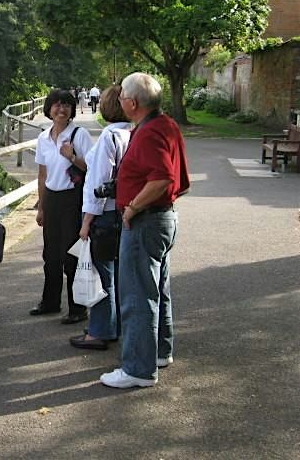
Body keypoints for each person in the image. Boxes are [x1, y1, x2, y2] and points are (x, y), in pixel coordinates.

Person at [100, 72, 190, 388]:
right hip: (164, 218)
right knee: (157, 290)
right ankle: (159, 352)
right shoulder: (165, 125)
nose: (120, 100)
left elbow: (163, 177)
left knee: (137, 296)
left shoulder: (150, 133)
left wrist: (134, 207)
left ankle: (138, 369)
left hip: (146, 221)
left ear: (133, 102)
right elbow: (177, 179)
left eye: (122, 95)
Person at [69, 85, 131, 351]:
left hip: (104, 214)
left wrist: (86, 223)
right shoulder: (132, 133)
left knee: (102, 274)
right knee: (116, 273)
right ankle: (113, 324)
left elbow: (99, 183)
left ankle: (100, 331)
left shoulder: (110, 136)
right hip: (123, 211)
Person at [30, 88, 93, 323]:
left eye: (66, 104)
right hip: (53, 199)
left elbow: (91, 169)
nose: (61, 109)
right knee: (51, 254)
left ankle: (77, 308)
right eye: (56, 104)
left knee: (71, 255)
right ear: (49, 109)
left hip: (73, 199)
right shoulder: (43, 138)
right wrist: (42, 207)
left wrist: (72, 157)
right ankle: (50, 301)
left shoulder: (79, 135)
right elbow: (42, 175)